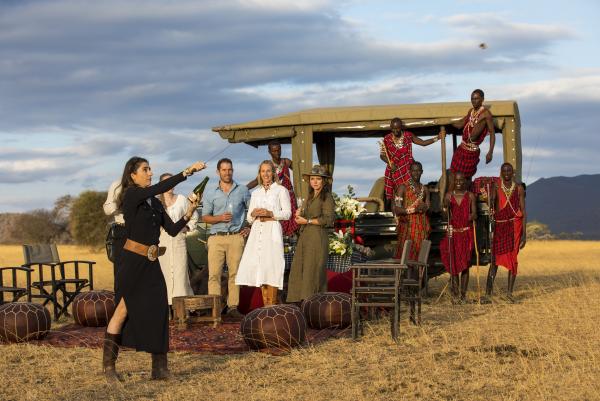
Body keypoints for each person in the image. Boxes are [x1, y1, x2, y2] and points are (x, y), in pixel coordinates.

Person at [102, 157, 206, 381]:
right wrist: (188, 171)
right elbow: (161, 187)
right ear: (132, 174)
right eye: (145, 169)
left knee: (159, 312)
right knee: (122, 311)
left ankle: (159, 369)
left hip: (151, 263)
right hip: (131, 263)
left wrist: (190, 210)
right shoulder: (131, 195)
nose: (150, 173)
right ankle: (109, 368)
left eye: (150, 169)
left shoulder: (155, 203)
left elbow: (172, 229)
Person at [236, 161, 291, 306]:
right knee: (260, 267)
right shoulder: (256, 193)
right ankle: (266, 307)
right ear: (259, 174)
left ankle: (272, 305)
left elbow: (287, 214)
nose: (265, 174)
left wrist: (270, 212)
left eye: (268, 171)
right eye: (262, 171)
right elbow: (249, 218)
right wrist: (253, 213)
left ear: (273, 173)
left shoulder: (281, 190)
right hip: (257, 231)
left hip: (272, 230)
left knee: (271, 266)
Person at [202, 158, 251, 318]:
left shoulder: (242, 190)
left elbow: (251, 211)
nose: (227, 172)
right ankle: (215, 308)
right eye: (224, 170)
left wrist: (248, 227)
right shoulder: (210, 192)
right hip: (216, 238)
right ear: (218, 172)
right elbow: (205, 217)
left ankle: (232, 307)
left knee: (235, 274)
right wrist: (220, 218)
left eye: (230, 169)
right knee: (214, 275)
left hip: (235, 237)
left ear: (232, 170)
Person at [286, 165, 335, 303]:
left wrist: (306, 220)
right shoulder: (310, 197)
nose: (315, 182)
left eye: (318, 179)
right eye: (312, 179)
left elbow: (329, 219)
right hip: (306, 237)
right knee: (301, 269)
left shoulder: (327, 197)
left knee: (313, 271)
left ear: (324, 181)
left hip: (317, 237)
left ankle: (315, 304)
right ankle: (302, 302)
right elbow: (304, 220)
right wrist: (299, 215)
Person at [486, 162, 526, 303]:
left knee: (513, 260)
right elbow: (491, 206)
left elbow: (523, 211)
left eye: (509, 170)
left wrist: (524, 235)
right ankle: (488, 294)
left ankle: (509, 293)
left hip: (514, 228)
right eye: (505, 170)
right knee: (494, 261)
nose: (507, 173)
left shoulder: (519, 189)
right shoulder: (496, 187)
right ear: (501, 172)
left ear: (513, 172)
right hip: (500, 227)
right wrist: (491, 195)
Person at [157, 173, 199, 308]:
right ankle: (165, 307)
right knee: (164, 274)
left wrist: (187, 227)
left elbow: (194, 215)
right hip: (162, 242)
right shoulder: (157, 202)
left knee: (181, 275)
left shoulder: (181, 199)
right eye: (166, 182)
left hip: (179, 241)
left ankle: (181, 307)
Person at [381, 117, 441, 201]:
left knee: (411, 191)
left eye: (398, 128)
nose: (396, 131)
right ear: (390, 128)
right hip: (394, 170)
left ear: (401, 127)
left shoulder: (408, 135)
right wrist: (390, 163)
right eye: (393, 128)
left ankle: (411, 209)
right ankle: (397, 212)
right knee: (396, 194)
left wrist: (437, 138)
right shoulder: (387, 139)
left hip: (408, 168)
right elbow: (382, 155)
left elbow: (423, 143)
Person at [247, 141, 298, 236]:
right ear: (269, 152)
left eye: (278, 150)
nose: (277, 153)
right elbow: (256, 180)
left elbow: (299, 170)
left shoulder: (286, 161)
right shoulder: (268, 165)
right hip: (275, 196)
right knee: (277, 220)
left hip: (288, 196)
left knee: (291, 219)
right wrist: (244, 188)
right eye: (274, 151)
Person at [440, 172, 477, 303]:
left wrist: (467, 217)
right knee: (453, 265)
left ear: (465, 182)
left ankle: (463, 295)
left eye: (461, 180)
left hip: (466, 233)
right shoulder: (449, 196)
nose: (459, 183)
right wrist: (446, 206)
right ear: (453, 182)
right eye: (457, 181)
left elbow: (475, 214)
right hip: (454, 234)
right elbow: (445, 217)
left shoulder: (470, 196)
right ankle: (455, 296)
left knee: (465, 265)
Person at [449, 89, 496, 189]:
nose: (474, 101)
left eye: (476, 99)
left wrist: (490, 152)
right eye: (472, 99)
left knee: (466, 178)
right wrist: (447, 122)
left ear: (482, 99)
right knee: (453, 175)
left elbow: (492, 132)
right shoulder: (471, 111)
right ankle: (449, 200)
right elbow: (461, 124)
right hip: (462, 149)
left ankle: (466, 200)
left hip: (472, 151)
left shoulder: (486, 114)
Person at [393, 161, 431, 260]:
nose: (416, 173)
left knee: (420, 257)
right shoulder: (403, 187)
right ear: (409, 172)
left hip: (421, 227)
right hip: (408, 227)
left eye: (418, 171)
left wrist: (424, 208)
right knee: (406, 256)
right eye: (414, 171)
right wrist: (414, 209)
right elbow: (397, 209)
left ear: (422, 172)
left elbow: (428, 206)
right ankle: (405, 275)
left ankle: (418, 276)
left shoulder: (425, 189)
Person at [103, 179, 125, 290]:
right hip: (122, 230)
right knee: (122, 278)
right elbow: (107, 208)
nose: (150, 173)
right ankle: (121, 306)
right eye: (145, 169)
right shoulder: (118, 185)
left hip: (142, 234)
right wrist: (120, 204)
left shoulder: (145, 186)